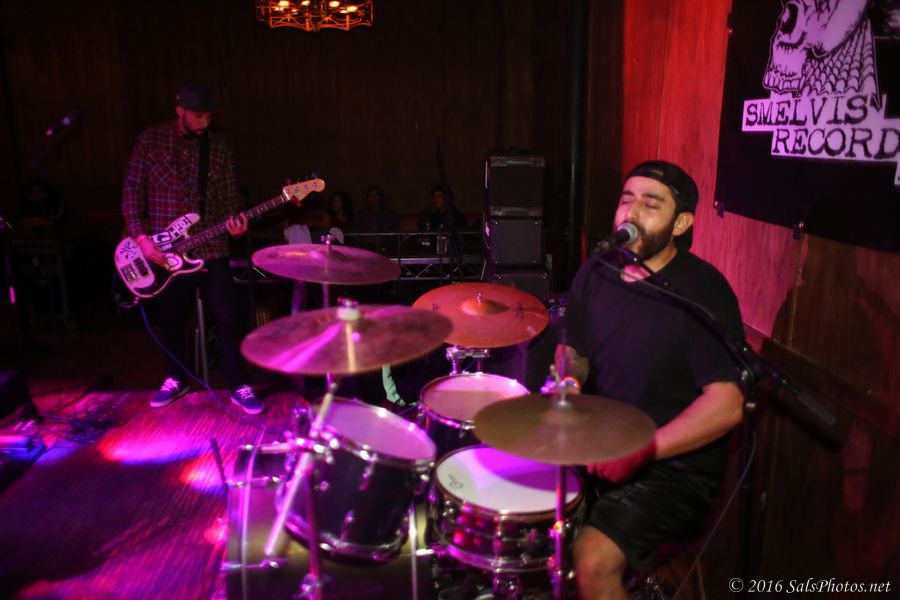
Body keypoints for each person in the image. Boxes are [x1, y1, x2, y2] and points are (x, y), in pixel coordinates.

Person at [555, 160, 745, 599]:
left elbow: (727, 403)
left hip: (670, 466)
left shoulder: (703, 290)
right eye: (627, 200)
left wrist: (646, 449)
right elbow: (574, 350)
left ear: (680, 224)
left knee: (592, 560)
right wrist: (569, 384)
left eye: (650, 203)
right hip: (601, 441)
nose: (632, 212)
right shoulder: (596, 270)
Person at [121, 82, 263, 414]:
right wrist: (141, 238)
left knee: (228, 316)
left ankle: (238, 383)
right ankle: (177, 377)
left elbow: (230, 197)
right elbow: (130, 193)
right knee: (171, 319)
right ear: (180, 110)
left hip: (212, 245)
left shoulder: (219, 146)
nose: (204, 122)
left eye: (209, 116)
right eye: (198, 116)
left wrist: (237, 222)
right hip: (164, 250)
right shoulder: (151, 140)